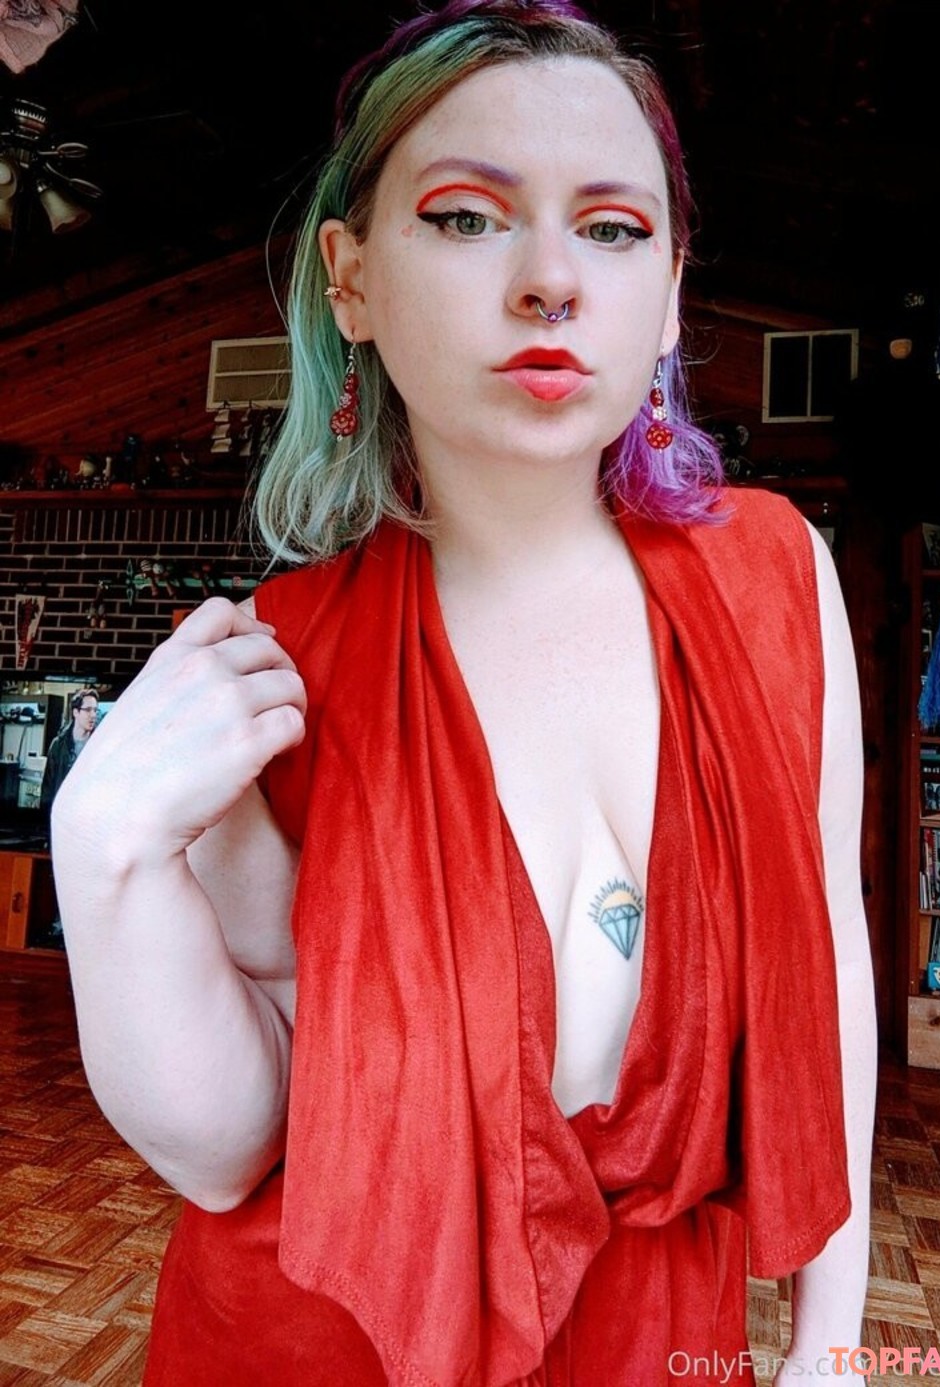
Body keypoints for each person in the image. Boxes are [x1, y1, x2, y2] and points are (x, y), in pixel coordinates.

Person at [50, 3, 877, 1382]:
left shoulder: (778, 575)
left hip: (665, 1341)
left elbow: (831, 955)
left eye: (612, 227)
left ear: (671, 291)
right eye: (466, 216)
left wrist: (833, 1339)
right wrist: (104, 853)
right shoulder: (279, 661)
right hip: (344, 1345)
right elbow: (231, 1148)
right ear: (351, 281)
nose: (551, 279)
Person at [40, 687, 98, 815]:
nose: (93, 715)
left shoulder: (99, 745)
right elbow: (47, 788)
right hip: (61, 812)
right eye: (88, 710)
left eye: (95, 710)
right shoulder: (58, 745)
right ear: (76, 712)